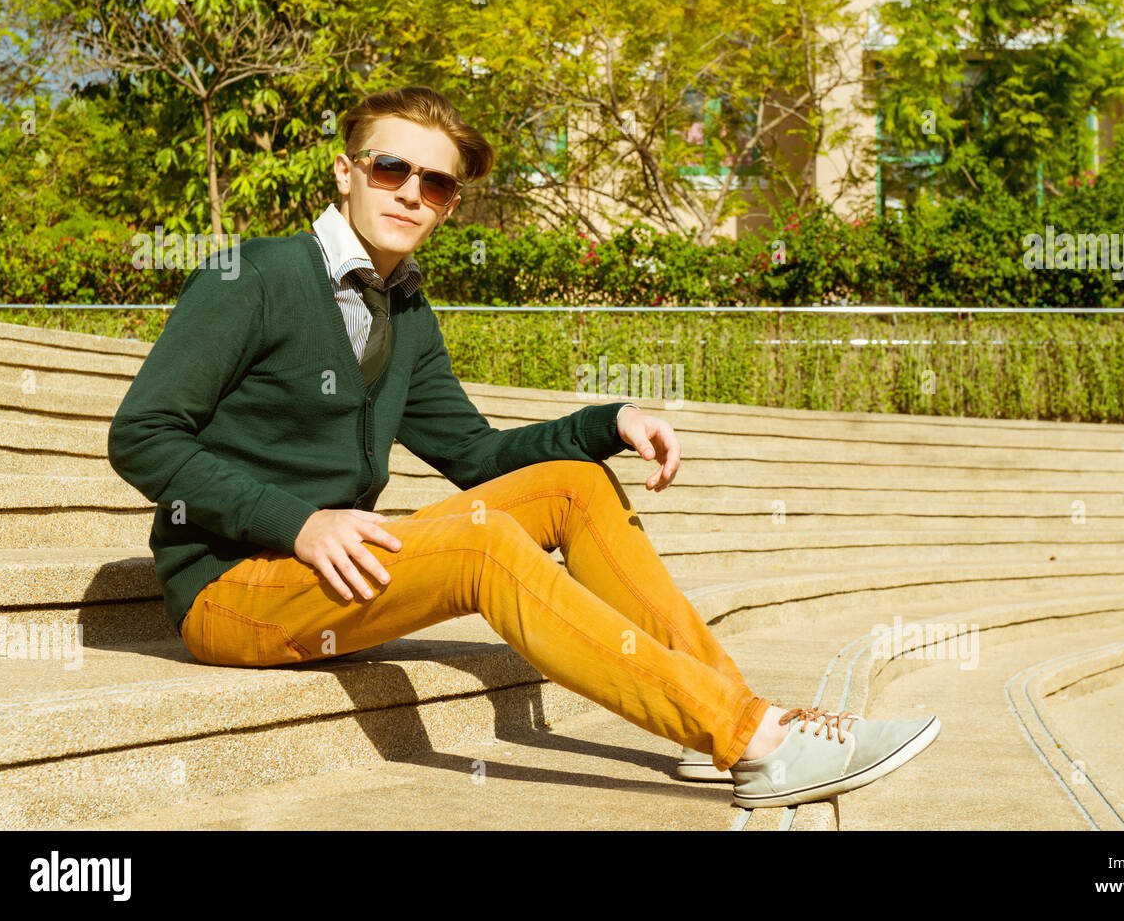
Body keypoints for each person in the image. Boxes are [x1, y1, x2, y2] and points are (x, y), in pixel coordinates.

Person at [107, 85, 940, 812]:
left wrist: (603, 424)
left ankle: (717, 717)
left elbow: (472, 454)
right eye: (390, 168)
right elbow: (141, 436)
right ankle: (752, 736)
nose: (410, 194)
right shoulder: (253, 276)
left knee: (574, 484)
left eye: (435, 184)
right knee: (482, 542)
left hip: (328, 573)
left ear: (449, 205)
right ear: (345, 171)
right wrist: (298, 523)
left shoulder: (408, 310)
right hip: (231, 590)